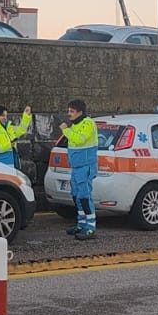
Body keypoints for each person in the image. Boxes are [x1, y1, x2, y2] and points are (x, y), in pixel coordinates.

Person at [62, 99, 98, 240]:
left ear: (80, 112)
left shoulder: (88, 123)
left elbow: (79, 140)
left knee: (84, 196)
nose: (69, 114)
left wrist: (65, 130)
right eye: (68, 111)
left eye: (72, 111)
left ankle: (91, 227)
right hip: (76, 167)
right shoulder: (75, 125)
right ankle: (81, 224)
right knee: (76, 196)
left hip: (86, 166)